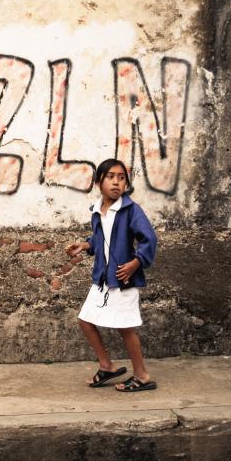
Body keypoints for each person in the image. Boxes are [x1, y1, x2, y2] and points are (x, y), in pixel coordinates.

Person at [66, 158, 158, 392]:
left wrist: (136, 263)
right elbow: (101, 241)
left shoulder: (130, 210)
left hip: (123, 280)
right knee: (85, 320)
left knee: (125, 328)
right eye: (110, 177)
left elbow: (150, 239)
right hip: (103, 279)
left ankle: (142, 375)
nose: (116, 182)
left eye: (121, 178)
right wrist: (85, 246)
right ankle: (106, 366)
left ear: (126, 184)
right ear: (99, 182)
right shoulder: (98, 211)